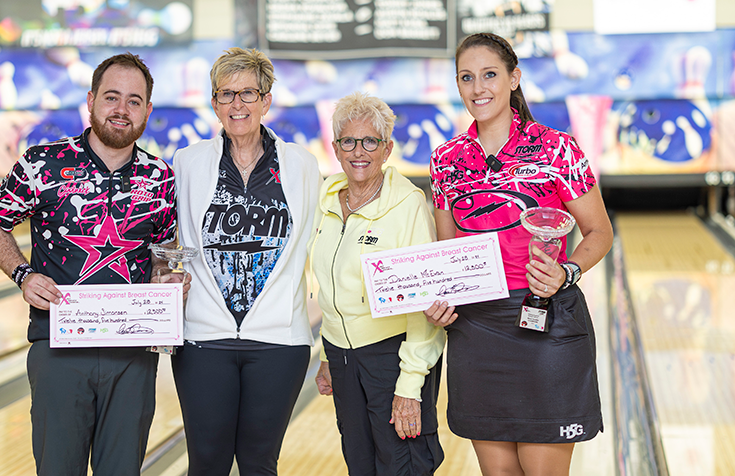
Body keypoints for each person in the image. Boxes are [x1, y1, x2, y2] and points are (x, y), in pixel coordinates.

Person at [0, 53, 186, 475]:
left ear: (147, 109)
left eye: (133, 100)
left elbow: (162, 254)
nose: (121, 110)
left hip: (133, 355)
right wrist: (23, 274)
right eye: (112, 97)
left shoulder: (161, 176)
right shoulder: (43, 162)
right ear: (91, 100)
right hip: (58, 349)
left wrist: (169, 282)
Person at [424, 32, 614, 475]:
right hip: (476, 331)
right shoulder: (446, 160)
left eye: (490, 75)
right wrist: (438, 300)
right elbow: (448, 251)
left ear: (514, 78)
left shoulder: (557, 149)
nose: (478, 88)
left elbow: (598, 231)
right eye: (466, 78)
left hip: (546, 324)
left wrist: (567, 271)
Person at [171, 47, 321, 475]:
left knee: (259, 462)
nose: (237, 104)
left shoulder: (302, 165)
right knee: (207, 462)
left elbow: (320, 243)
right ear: (214, 103)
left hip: (279, 341)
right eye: (226, 94)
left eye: (248, 93)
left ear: (267, 99)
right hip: (204, 339)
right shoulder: (187, 162)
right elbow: (165, 239)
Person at [309, 92, 446, 475]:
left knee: (402, 464)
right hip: (342, 355)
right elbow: (332, 286)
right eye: (348, 141)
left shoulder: (409, 206)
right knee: (359, 463)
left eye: (370, 141)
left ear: (387, 149)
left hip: (393, 356)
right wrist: (325, 356)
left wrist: (410, 385)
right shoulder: (327, 201)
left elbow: (425, 303)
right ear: (335, 148)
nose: (359, 151)